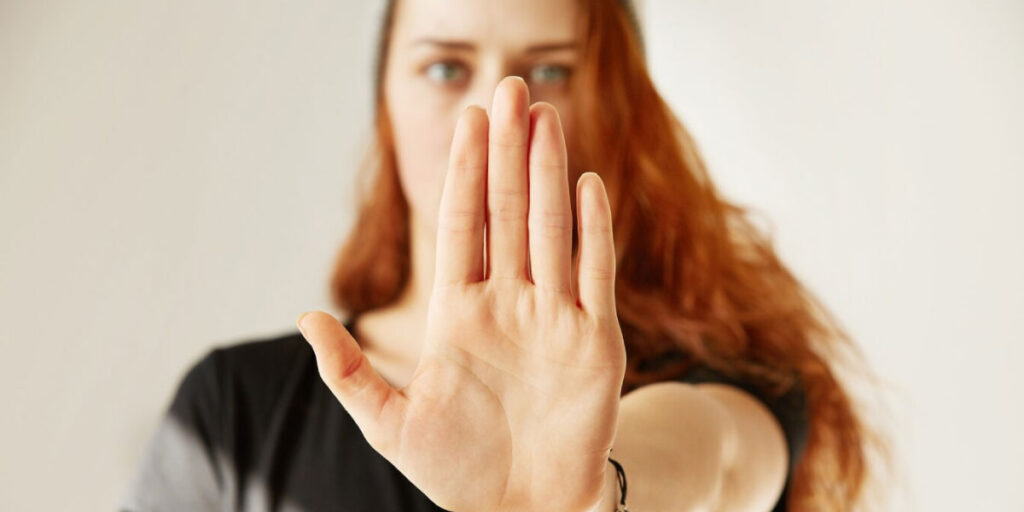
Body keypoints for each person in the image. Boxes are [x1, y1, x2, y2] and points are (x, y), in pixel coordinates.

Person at [121, 0, 882, 510]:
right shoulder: (234, 411)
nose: (495, 104)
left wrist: (592, 494)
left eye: (551, 67)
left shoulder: (729, 374)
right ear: (384, 100)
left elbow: (715, 457)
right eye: (445, 67)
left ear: (617, 103)